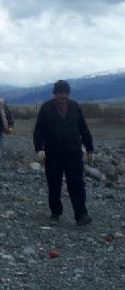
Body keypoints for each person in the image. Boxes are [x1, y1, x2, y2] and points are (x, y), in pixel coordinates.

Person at [33, 80, 94, 226]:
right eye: (60, 93)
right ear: (55, 94)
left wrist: (90, 148)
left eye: (65, 92)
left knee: (77, 184)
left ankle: (81, 214)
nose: (63, 96)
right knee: (54, 184)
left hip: (73, 153)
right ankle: (55, 212)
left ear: (69, 93)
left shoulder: (75, 107)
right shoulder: (46, 108)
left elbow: (83, 129)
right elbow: (38, 131)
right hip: (53, 153)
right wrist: (39, 149)